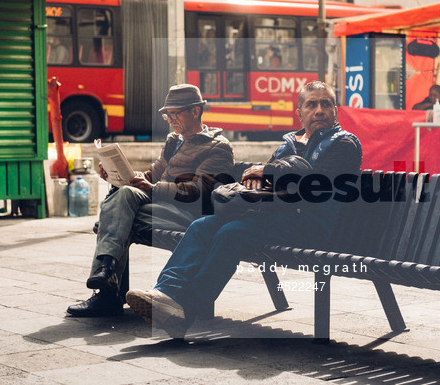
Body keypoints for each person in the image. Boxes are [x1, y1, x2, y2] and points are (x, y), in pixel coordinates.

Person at [125, 81, 363, 338]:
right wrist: (259, 178)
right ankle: (166, 293)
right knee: (203, 225)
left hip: (313, 224)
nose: (319, 110)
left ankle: (186, 308)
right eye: (311, 104)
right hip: (276, 217)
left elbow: (317, 185)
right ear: (300, 113)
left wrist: (271, 171)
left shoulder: (344, 144)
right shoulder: (288, 145)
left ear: (335, 110)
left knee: (233, 233)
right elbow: (273, 180)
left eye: (325, 104)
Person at [66, 84, 234, 317]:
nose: (170, 120)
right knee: (122, 197)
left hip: (190, 216)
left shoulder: (218, 147)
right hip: (159, 207)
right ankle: (106, 276)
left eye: (174, 114)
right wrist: (118, 176)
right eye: (167, 115)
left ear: (195, 111)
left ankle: (107, 290)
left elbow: (199, 191)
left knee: (116, 212)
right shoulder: (174, 141)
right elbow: (149, 176)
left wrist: (154, 189)